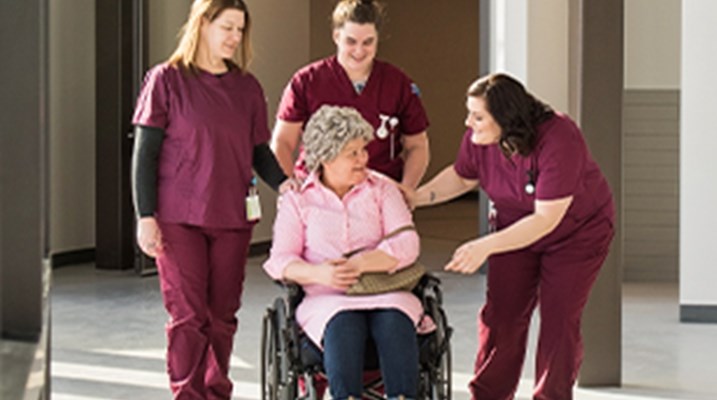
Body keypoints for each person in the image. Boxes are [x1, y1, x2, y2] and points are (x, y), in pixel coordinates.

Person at [408, 73, 615, 400]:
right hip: (513, 225)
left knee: (559, 319)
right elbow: (462, 179)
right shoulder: (480, 140)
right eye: (469, 113)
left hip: (576, 233)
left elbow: (546, 218)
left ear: (505, 118)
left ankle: (551, 395)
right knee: (501, 315)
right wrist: (413, 197)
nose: (468, 122)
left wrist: (484, 246)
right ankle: (488, 396)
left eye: (477, 116)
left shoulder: (560, 137)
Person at [130, 0, 288, 398]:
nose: (236, 38)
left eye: (240, 30)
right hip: (177, 218)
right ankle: (188, 393)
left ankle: (216, 392)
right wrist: (144, 215)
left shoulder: (248, 88)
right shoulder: (166, 80)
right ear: (202, 25)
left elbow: (259, 151)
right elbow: (145, 153)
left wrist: (287, 185)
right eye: (227, 28)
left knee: (222, 317)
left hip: (232, 217)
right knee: (188, 316)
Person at [263, 105, 424, 400]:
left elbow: (407, 243)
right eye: (353, 153)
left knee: (394, 321)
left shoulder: (382, 189)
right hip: (327, 299)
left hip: (386, 290)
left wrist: (360, 264)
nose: (363, 158)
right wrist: (320, 273)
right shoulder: (299, 200)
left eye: (363, 150)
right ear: (325, 156)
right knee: (342, 325)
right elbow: (280, 260)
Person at [271, 0, 430, 189]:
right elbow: (282, 142)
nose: (359, 51)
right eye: (351, 41)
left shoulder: (398, 84)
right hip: (319, 196)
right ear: (336, 36)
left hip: (379, 194)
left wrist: (406, 189)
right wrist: (289, 187)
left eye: (368, 42)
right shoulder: (306, 81)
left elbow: (417, 146)